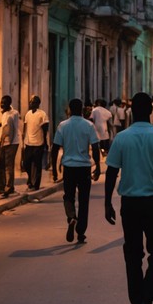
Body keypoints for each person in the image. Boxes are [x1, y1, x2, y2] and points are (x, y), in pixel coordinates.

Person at [104, 92, 153, 304]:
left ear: (132, 111)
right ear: (150, 111)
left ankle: (137, 301)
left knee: (133, 253)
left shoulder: (122, 138)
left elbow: (111, 172)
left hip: (130, 203)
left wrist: (107, 202)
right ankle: (147, 297)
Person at [52, 98, 101, 243]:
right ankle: (80, 232)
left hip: (69, 168)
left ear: (69, 109)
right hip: (84, 168)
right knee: (84, 200)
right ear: (82, 110)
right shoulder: (89, 125)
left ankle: (71, 217)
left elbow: (55, 148)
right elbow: (96, 147)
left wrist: (54, 169)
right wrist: (97, 166)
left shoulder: (62, 126)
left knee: (68, 196)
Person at [22, 95, 49, 190]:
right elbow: (25, 126)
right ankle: (30, 178)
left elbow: (45, 129)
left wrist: (45, 142)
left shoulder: (42, 114)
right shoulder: (28, 114)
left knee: (37, 164)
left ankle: (36, 184)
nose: (31, 104)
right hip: (28, 142)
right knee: (26, 163)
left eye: (33, 102)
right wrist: (23, 138)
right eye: (30, 102)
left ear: (37, 104)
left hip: (39, 142)